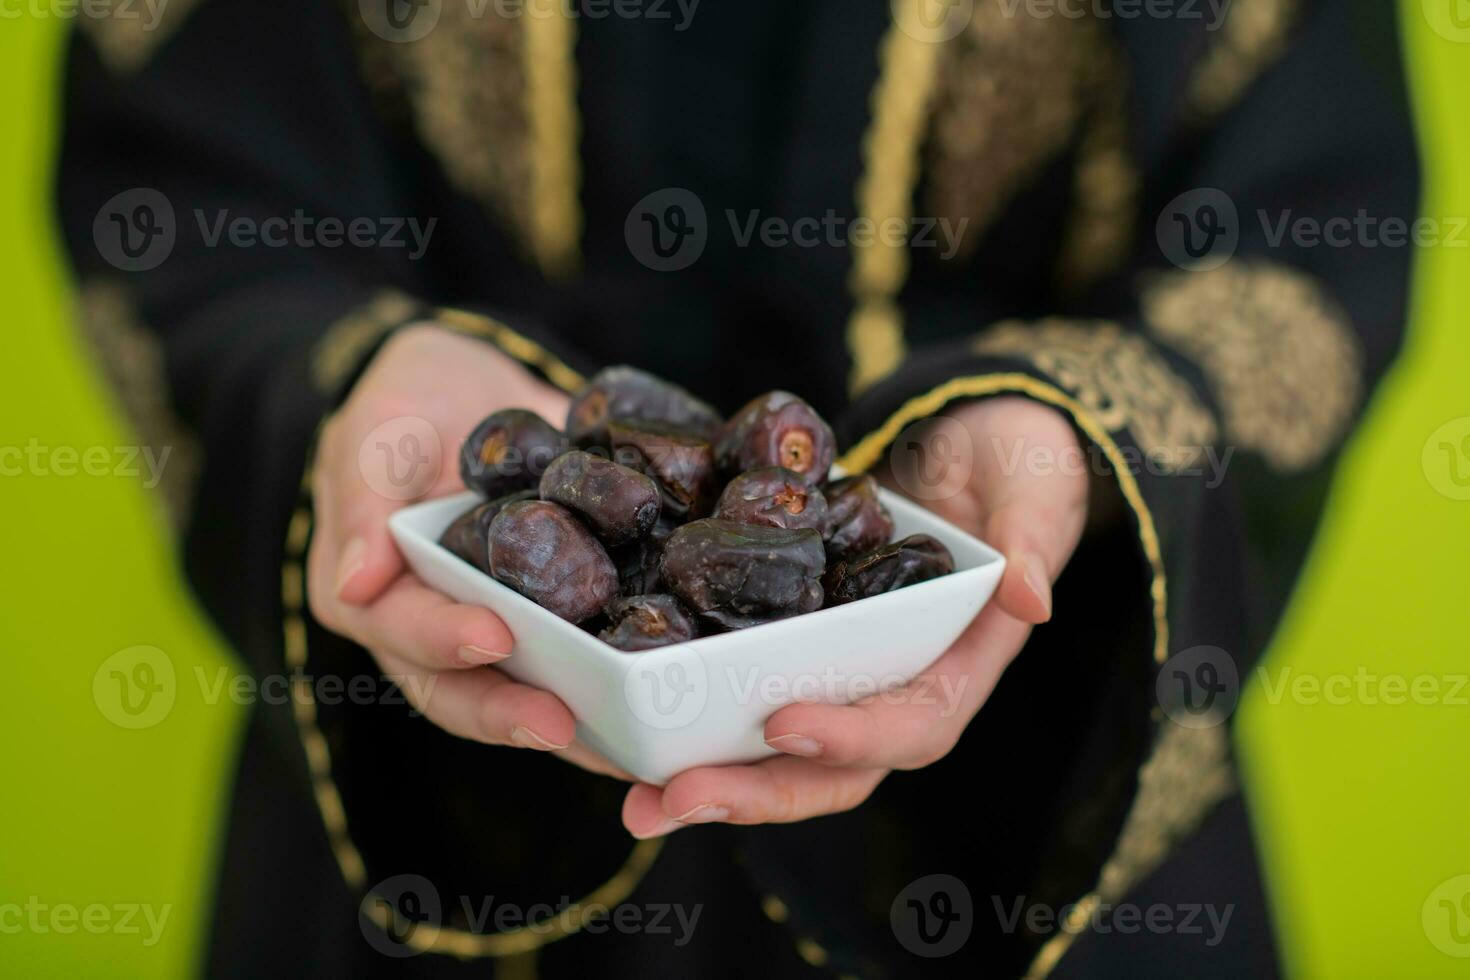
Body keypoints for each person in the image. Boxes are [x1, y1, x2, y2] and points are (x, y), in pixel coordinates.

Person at [56, 0, 1418, 975]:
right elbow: (184, 194)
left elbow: (1307, 248)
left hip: (1017, 813)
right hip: (437, 785)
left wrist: (1072, 429)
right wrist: (352, 378)